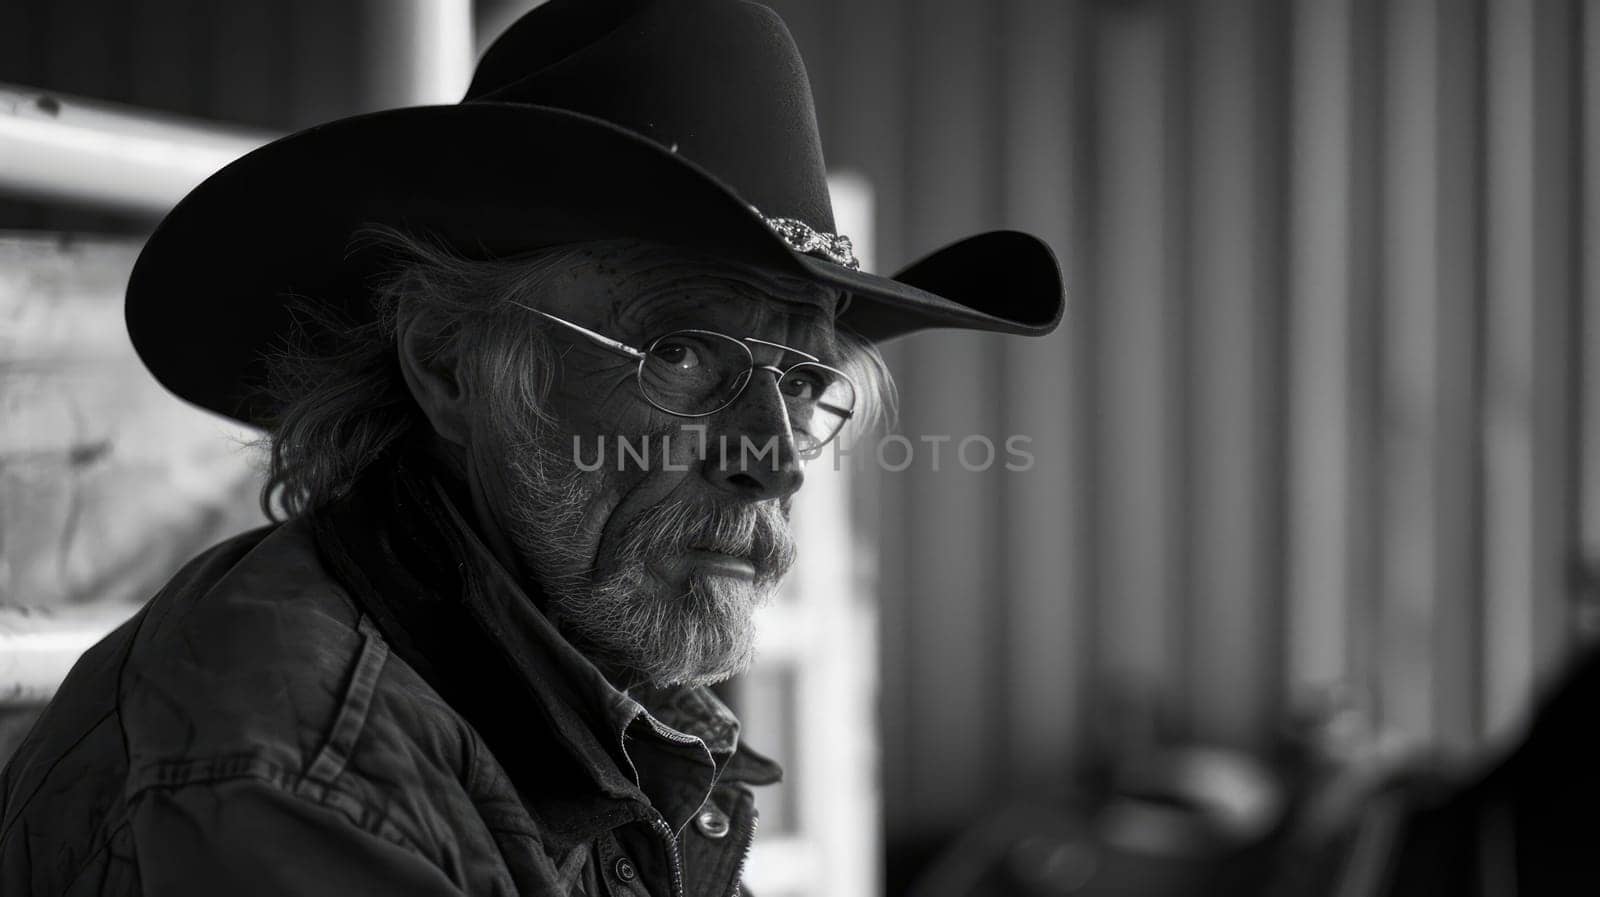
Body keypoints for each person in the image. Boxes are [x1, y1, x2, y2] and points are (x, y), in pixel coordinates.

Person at [0, 1, 1063, 894]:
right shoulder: (297, 766)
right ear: (450, 365)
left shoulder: (592, 677)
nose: (777, 457)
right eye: (684, 351)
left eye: (802, 378)